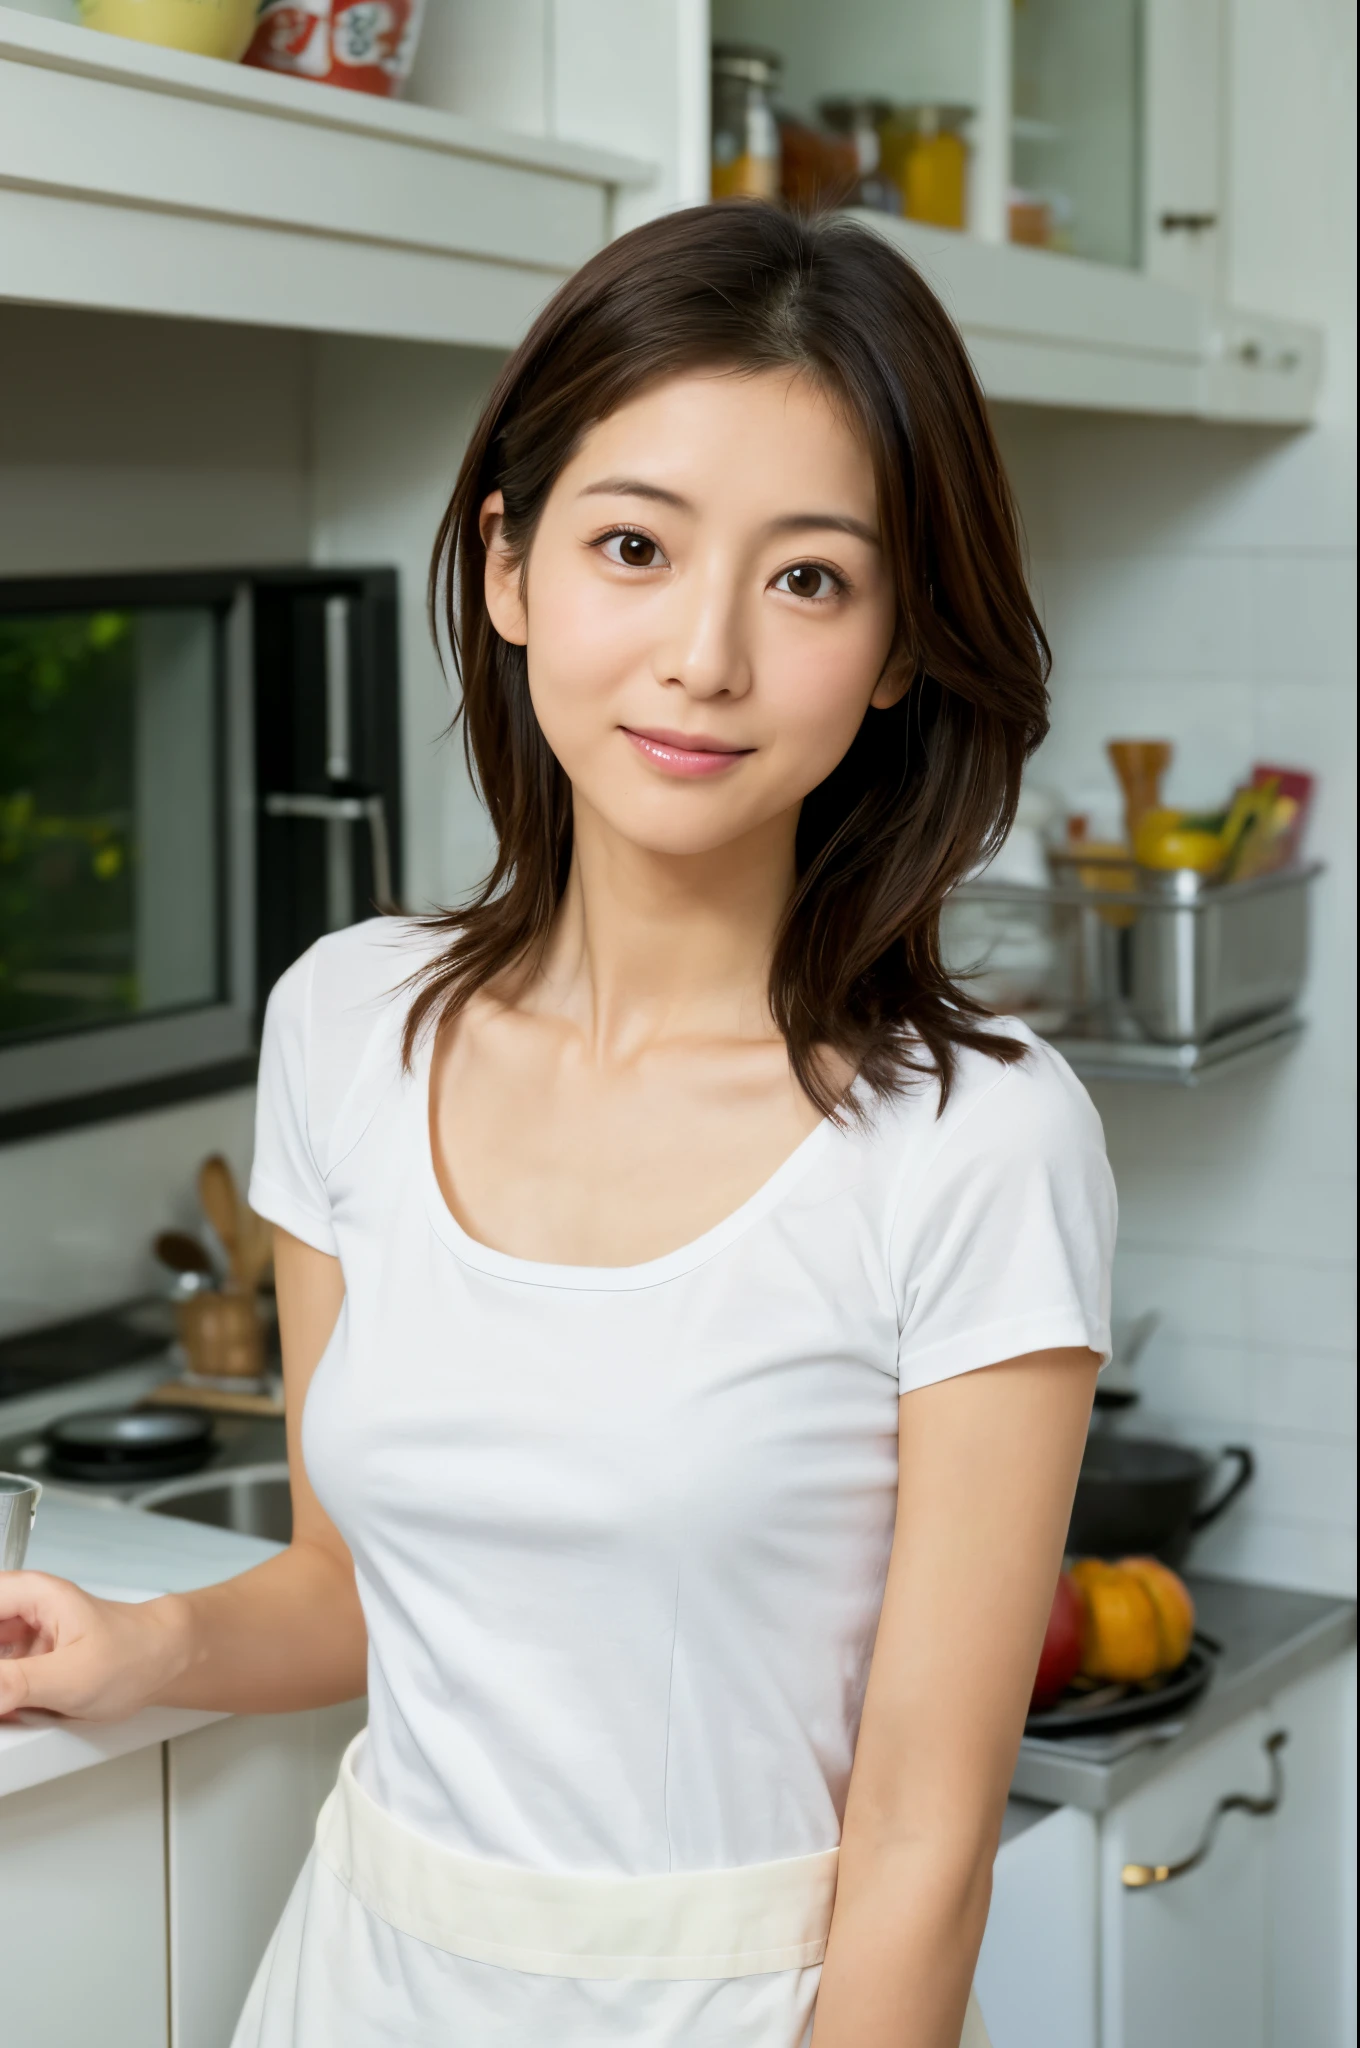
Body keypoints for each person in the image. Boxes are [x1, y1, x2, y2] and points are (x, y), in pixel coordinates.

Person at [0, 203, 1114, 2048]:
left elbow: (924, 1842)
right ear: (511, 568)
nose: (705, 656)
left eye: (810, 579)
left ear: (904, 646)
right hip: (364, 1976)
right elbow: (360, 1593)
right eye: (632, 546)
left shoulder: (978, 1140)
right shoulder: (347, 1023)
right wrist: (151, 1645)